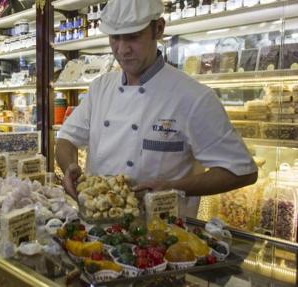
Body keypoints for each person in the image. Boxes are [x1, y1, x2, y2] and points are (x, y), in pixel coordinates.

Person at [55, 0, 258, 217]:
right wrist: (70, 168)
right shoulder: (99, 88)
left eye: (133, 37)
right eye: (115, 38)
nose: (122, 50)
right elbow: (66, 138)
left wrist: (174, 187)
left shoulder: (194, 97)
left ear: (159, 29)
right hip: (97, 228)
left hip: (163, 236)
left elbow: (241, 171)